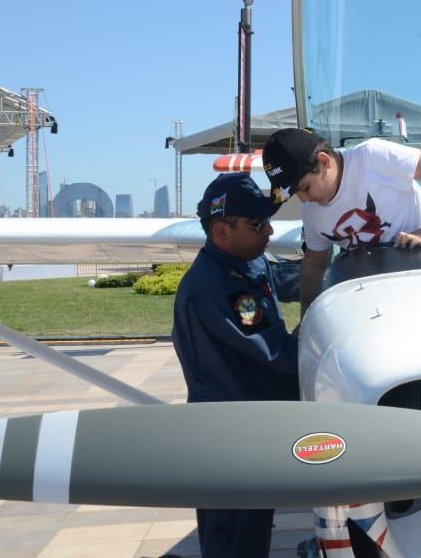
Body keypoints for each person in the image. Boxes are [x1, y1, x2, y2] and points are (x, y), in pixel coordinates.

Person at [171, 173, 300, 558]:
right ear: (221, 231)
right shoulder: (219, 287)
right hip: (229, 443)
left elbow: (283, 279)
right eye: (258, 224)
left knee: (254, 531)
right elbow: (281, 354)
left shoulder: (247, 263)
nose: (270, 230)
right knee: (235, 540)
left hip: (251, 432)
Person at [263, 127, 421, 315]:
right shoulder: (311, 213)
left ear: (324, 161)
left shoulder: (370, 157)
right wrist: (306, 317)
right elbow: (315, 263)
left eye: (305, 188)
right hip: (375, 289)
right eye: (296, 194)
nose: (304, 199)